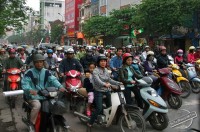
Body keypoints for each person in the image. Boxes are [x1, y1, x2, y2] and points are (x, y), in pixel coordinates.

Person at [21, 54, 65, 126]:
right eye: (37, 62)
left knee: (55, 104)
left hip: (46, 95)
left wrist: (60, 86)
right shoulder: (29, 72)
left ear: (43, 63)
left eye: (41, 62)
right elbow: (25, 83)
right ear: (34, 63)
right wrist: (30, 90)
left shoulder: (47, 72)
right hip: (33, 96)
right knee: (37, 106)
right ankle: (31, 124)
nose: (39, 64)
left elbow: (53, 80)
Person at [87, 54, 121, 127]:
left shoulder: (105, 70)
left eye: (105, 61)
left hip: (106, 90)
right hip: (98, 91)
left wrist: (118, 83)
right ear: (98, 62)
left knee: (110, 106)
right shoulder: (95, 71)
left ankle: (106, 118)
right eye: (101, 61)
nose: (103, 63)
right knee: (99, 108)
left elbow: (109, 79)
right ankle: (90, 121)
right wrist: (105, 84)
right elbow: (97, 81)